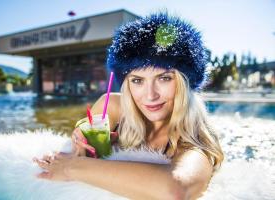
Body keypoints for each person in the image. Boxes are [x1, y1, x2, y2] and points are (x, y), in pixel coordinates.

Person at [33, 12, 224, 200]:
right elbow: (80, 140)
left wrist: (71, 167)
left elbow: (175, 191)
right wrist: (79, 141)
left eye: (164, 78)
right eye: (137, 80)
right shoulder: (115, 105)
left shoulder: (194, 144)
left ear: (185, 83)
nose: (150, 95)